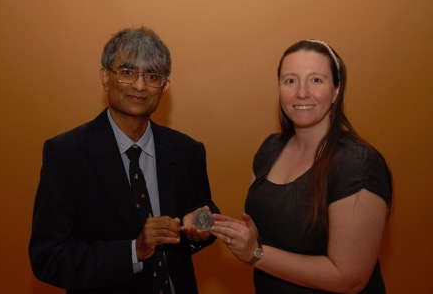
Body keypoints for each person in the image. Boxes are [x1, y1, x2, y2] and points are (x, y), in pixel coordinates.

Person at [29, 27, 219, 294]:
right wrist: (134, 250)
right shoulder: (66, 154)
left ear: (164, 86)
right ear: (105, 77)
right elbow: (47, 257)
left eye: (152, 76)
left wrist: (203, 225)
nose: (140, 86)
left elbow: (203, 209)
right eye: (128, 73)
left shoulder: (187, 150)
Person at [210, 39, 393, 293]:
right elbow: (271, 226)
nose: (301, 92)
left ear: (336, 90)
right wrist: (236, 233)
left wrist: (255, 253)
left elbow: (349, 278)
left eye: (316, 80)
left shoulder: (357, 165)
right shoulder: (270, 149)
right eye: (290, 80)